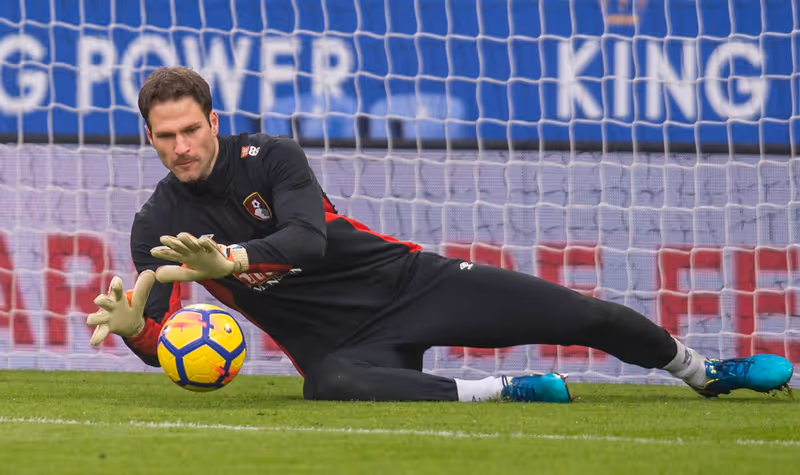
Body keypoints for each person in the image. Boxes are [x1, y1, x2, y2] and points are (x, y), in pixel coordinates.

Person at [86, 66, 793, 403]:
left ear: (213, 121)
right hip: (336, 346)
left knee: (586, 316)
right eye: (166, 136)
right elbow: (161, 343)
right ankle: (506, 390)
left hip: (409, 285)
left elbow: (307, 242)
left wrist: (232, 258)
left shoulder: (270, 157)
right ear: (148, 137)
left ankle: (704, 372)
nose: (182, 146)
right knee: (326, 385)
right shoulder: (156, 224)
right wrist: (134, 330)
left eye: (191, 129)